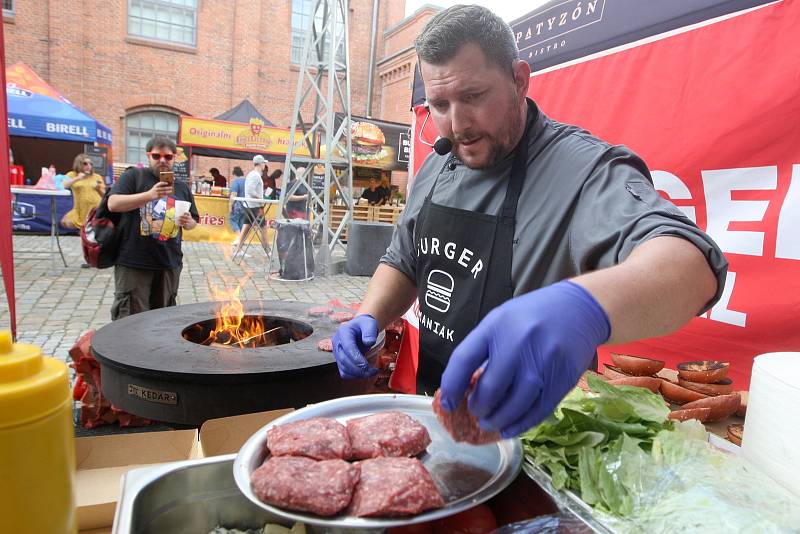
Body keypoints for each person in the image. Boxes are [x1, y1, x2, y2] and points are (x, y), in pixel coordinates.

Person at [331, 5, 727, 439]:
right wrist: (367, 317)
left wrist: (582, 309)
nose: (458, 124)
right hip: (433, 415)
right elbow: (405, 260)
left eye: (474, 96)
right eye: (440, 104)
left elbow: (692, 265)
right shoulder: (438, 165)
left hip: (536, 433)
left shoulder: (582, 168)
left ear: (520, 79)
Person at [107, 136, 199, 320]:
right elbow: (113, 203)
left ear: (174, 158)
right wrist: (149, 195)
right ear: (148, 156)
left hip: (168, 262)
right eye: (156, 156)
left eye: (168, 156)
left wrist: (189, 222)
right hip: (134, 262)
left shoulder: (181, 187)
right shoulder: (133, 176)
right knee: (131, 319)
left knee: (162, 319)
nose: (162, 160)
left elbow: (194, 220)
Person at [61, 154, 106, 229]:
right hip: (79, 209)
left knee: (94, 223)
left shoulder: (97, 176)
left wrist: (99, 189)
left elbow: (105, 196)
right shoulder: (72, 174)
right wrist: (77, 178)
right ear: (78, 164)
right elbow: (63, 185)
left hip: (94, 208)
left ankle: (87, 231)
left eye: (90, 164)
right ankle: (84, 229)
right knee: (65, 222)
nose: (89, 166)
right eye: (85, 163)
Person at [238, 155, 268, 253]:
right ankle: (267, 250)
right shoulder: (255, 175)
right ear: (260, 164)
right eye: (264, 163)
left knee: (246, 227)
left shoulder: (252, 174)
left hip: (250, 205)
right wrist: (261, 199)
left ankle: (238, 249)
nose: (265, 165)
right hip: (256, 206)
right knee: (263, 228)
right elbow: (251, 191)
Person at [228, 166, 246, 248]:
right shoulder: (247, 181)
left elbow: (233, 195)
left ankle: (239, 238)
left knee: (232, 220)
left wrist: (230, 206)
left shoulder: (236, 181)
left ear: (235, 174)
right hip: (246, 206)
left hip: (238, 205)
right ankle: (240, 241)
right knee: (241, 223)